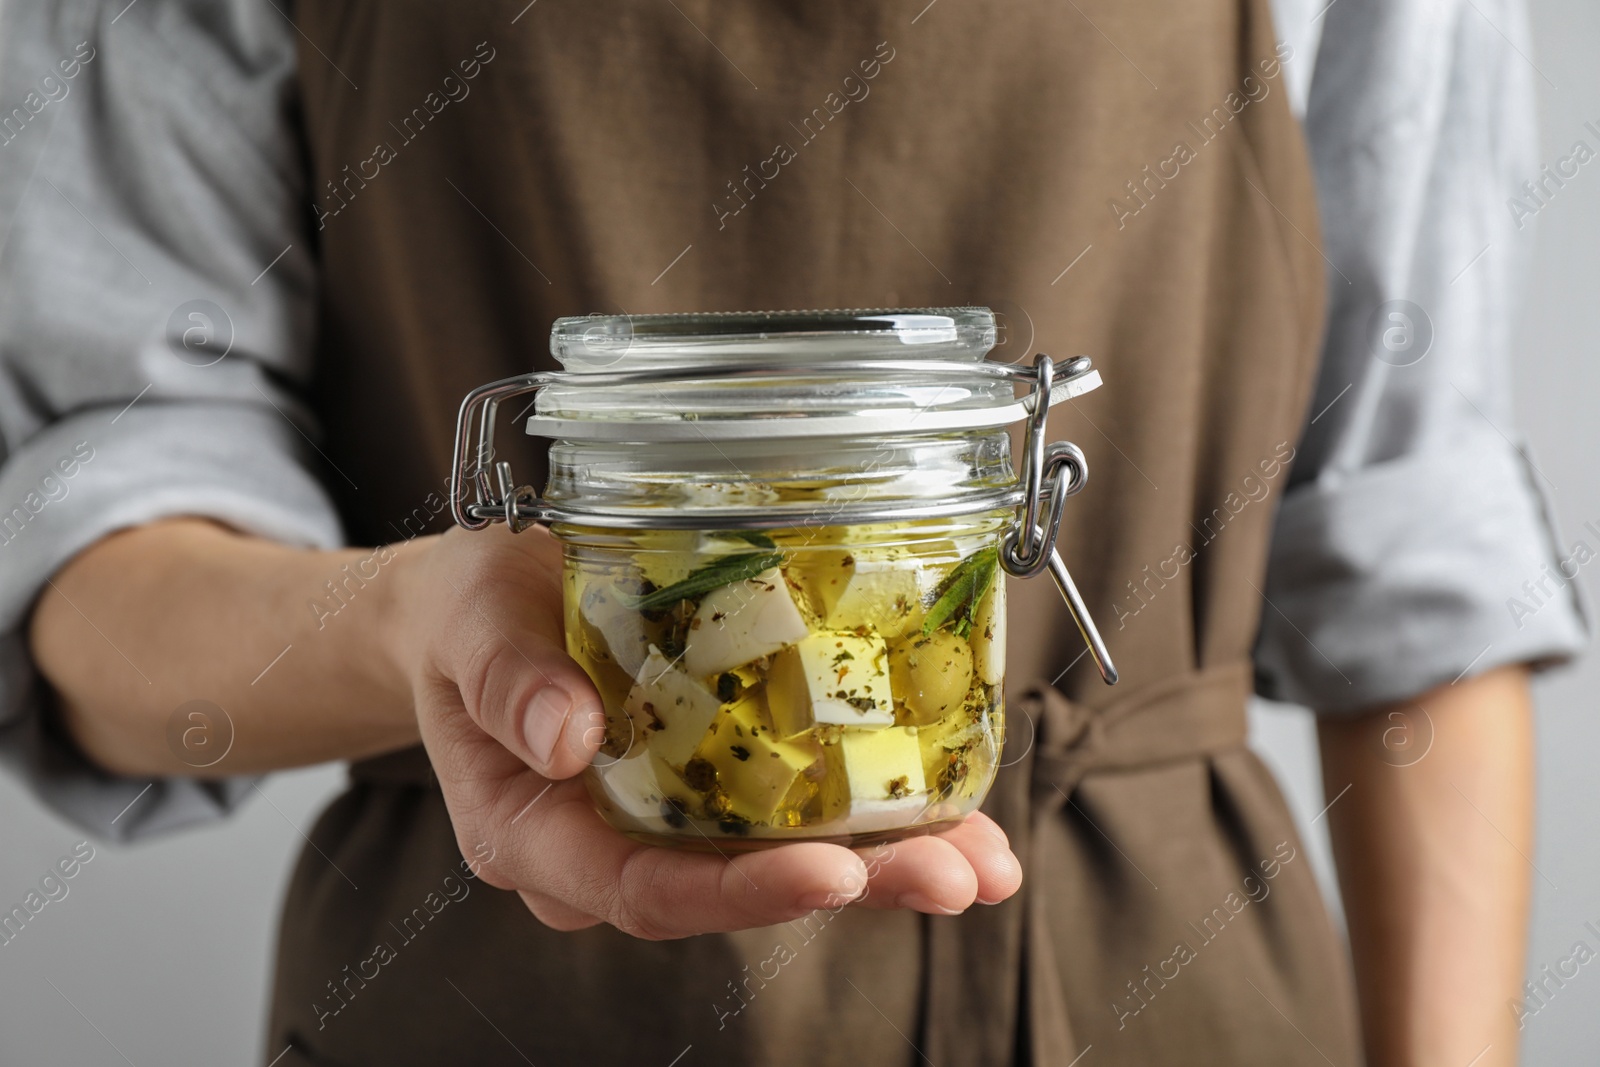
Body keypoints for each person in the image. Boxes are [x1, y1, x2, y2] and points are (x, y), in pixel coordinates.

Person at [0, 0, 1584, 1064]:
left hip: (1167, 986)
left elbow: (1410, 563)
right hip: (493, 990)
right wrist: (418, 625)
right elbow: (104, 526)